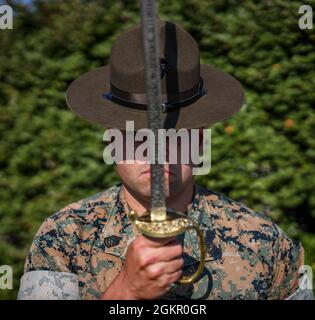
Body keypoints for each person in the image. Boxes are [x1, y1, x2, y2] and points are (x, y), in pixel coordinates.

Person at [18, 20, 313, 300]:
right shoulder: (64, 237)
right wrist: (125, 291)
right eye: (137, 134)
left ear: (198, 140)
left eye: (173, 134)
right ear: (112, 140)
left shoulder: (264, 243)